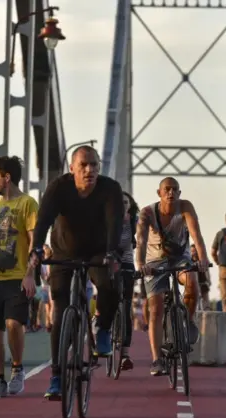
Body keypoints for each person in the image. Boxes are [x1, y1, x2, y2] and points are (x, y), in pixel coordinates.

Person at [23, 145, 124, 400]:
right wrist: (36, 249)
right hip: (64, 252)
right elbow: (44, 220)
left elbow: (115, 223)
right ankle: (56, 375)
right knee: (59, 309)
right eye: (84, 165)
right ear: (72, 169)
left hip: (98, 251)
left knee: (112, 285)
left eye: (94, 165)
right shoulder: (59, 187)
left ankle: (101, 328)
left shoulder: (110, 189)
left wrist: (112, 254)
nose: (90, 170)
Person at [135, 177, 210, 376]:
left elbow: (197, 236)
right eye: (167, 189)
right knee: (156, 308)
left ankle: (189, 319)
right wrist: (141, 264)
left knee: (192, 282)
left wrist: (202, 259)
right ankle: (156, 359)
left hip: (180, 258)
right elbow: (141, 241)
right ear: (159, 193)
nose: (171, 193)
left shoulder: (185, 207)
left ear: (179, 193)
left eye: (175, 189)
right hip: (154, 261)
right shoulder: (147, 213)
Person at [0, 156, 39, 397]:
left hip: (17, 277)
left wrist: (30, 274)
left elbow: (35, 240)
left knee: (14, 324)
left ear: (7, 177)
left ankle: (17, 369)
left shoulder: (28, 204)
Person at [118, 191, 140, 370]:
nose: (123, 204)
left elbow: (142, 242)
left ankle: (125, 354)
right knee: (107, 302)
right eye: (120, 202)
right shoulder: (108, 220)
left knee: (126, 307)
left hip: (126, 265)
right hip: (108, 266)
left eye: (126, 202)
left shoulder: (135, 222)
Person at [191, 244, 211, 310]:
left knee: (206, 299)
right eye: (192, 251)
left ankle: (207, 310)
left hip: (203, 281)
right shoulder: (190, 261)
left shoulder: (201, 259)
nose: (194, 253)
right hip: (195, 283)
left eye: (195, 251)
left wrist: (208, 280)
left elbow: (207, 270)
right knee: (196, 299)